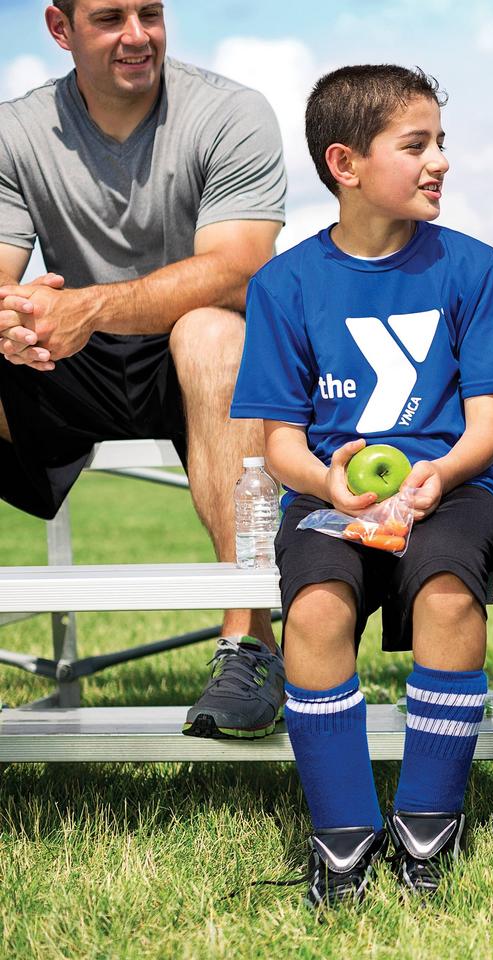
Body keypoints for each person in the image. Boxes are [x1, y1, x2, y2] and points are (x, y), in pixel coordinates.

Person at [229, 64, 493, 908]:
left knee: (445, 595)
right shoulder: (285, 284)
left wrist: (437, 474)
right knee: (317, 609)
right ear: (345, 163)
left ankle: (428, 826)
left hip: (456, 486)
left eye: (442, 142)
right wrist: (330, 481)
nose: (440, 161)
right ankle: (344, 835)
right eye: (416, 144)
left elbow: (488, 429)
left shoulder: (472, 267)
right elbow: (281, 442)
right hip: (334, 499)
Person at [0, 0, 288, 737]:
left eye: (150, 14)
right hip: (69, 353)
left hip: (195, 348)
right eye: (110, 19)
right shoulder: (15, 130)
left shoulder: (230, 112)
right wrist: (12, 323)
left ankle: (247, 642)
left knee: (210, 334)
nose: (137, 36)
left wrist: (88, 309)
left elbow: (240, 270)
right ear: (60, 30)